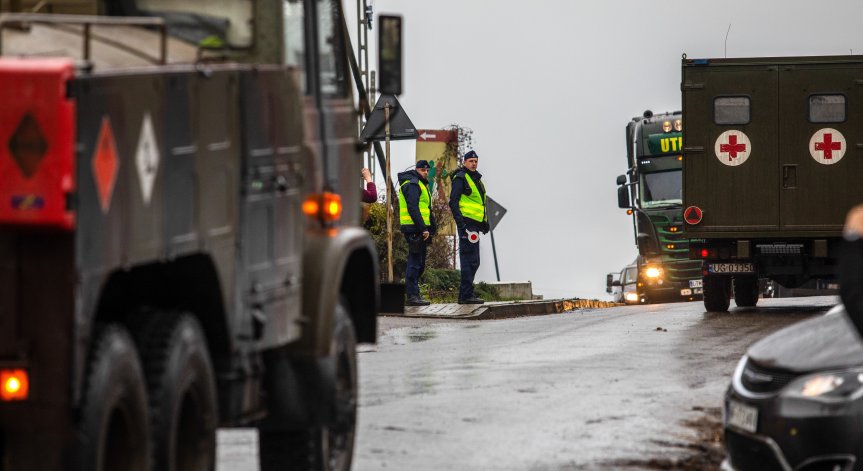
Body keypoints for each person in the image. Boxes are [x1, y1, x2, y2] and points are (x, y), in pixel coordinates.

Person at [449, 150, 489, 304]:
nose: (474, 163)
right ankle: (466, 296)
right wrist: (462, 224)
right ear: (464, 162)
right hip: (467, 225)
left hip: (474, 226)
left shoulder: (477, 179)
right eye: (471, 161)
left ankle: (464, 295)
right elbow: (453, 202)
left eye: (476, 161)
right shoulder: (461, 177)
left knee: (474, 261)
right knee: (469, 260)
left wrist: (484, 224)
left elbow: (479, 204)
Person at [398, 160, 436, 306]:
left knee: (420, 263)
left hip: (419, 229)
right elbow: (413, 208)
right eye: (422, 170)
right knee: (415, 263)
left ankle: (414, 294)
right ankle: (412, 296)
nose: (425, 172)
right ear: (416, 170)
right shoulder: (413, 184)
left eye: (427, 170)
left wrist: (431, 227)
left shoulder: (421, 184)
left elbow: (426, 208)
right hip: (414, 229)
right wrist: (423, 228)